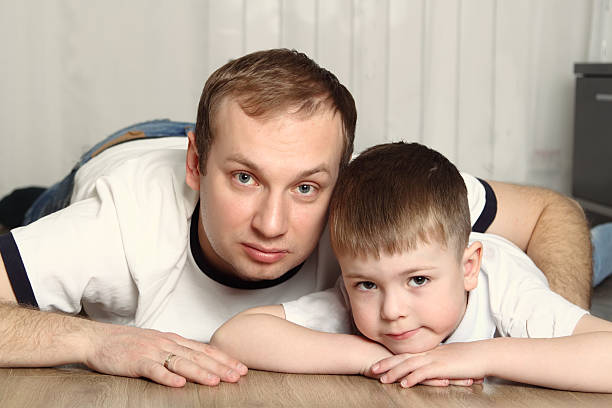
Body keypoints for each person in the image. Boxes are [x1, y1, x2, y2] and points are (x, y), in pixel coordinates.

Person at [0, 49, 593, 388]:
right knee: (21, 212)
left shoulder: (367, 199)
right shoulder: (117, 225)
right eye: (244, 179)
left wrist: (552, 327)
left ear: (343, 173)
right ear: (198, 165)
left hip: (231, 134)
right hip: (120, 154)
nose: (272, 223)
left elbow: (551, 211)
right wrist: (93, 338)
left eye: (307, 187)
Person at [211, 142, 612, 392]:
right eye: (367, 285)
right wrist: (370, 358)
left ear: (468, 267)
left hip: (519, 260)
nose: (392, 311)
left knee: (599, 254)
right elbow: (235, 336)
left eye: (418, 279)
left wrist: (480, 355)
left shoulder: (504, 288)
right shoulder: (361, 298)